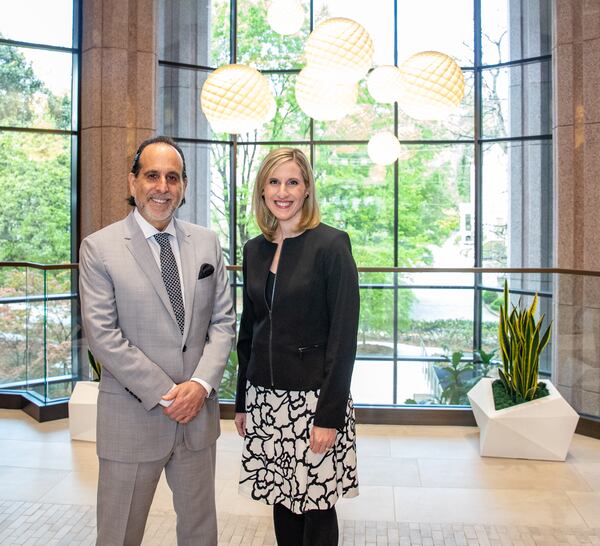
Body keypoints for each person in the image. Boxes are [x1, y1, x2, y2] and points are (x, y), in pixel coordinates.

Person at [79, 136, 235, 546]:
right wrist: (170, 393)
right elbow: (103, 337)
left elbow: (223, 322)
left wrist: (199, 387)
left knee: (201, 533)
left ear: (183, 186)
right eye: (152, 175)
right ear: (132, 183)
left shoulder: (207, 242)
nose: (162, 187)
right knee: (119, 535)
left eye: (172, 177)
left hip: (197, 419)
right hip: (132, 420)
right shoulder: (100, 248)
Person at [234, 148, 360, 546]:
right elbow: (248, 331)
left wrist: (329, 415)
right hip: (265, 399)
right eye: (274, 182)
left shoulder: (332, 245)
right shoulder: (254, 249)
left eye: (292, 182)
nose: (282, 191)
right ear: (262, 190)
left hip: (313, 402)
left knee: (317, 504)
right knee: (281, 500)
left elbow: (344, 336)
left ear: (307, 189)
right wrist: (241, 401)